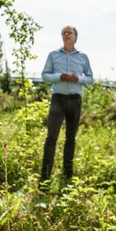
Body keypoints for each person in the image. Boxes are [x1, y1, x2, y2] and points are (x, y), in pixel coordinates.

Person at [40, 25, 94, 188]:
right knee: (51, 138)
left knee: (71, 139)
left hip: (75, 101)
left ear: (75, 37)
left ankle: (67, 175)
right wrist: (60, 76)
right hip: (58, 100)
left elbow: (90, 78)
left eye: (69, 33)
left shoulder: (83, 57)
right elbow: (45, 76)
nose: (66, 35)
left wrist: (78, 79)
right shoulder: (53, 55)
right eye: (63, 33)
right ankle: (44, 178)